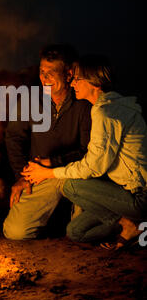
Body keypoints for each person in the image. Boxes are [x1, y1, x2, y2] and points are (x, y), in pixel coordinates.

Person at [22, 54, 147, 249]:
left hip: (139, 196)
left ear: (95, 82)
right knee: (76, 232)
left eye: (77, 79)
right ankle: (127, 224)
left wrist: (47, 173)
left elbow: (94, 167)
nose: (72, 84)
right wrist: (50, 164)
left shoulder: (106, 112)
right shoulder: (109, 106)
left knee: (70, 185)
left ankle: (130, 224)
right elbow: (96, 160)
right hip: (122, 191)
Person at [3, 44, 92, 240]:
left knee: (83, 233)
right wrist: (22, 175)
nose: (44, 78)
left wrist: (54, 162)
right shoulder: (30, 100)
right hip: (41, 176)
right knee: (15, 231)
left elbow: (88, 151)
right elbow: (14, 138)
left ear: (68, 74)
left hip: (75, 174)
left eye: (51, 73)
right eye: (42, 72)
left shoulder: (84, 103)